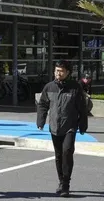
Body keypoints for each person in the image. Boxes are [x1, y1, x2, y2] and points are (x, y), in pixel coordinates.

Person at [37, 60, 88, 197]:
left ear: (68, 73)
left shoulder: (75, 87)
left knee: (67, 152)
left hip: (70, 126)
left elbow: (82, 108)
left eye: (61, 71)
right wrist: (41, 121)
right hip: (54, 127)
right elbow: (42, 105)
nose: (58, 73)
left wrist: (83, 125)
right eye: (56, 70)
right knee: (58, 156)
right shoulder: (49, 87)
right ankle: (61, 181)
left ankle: (66, 184)